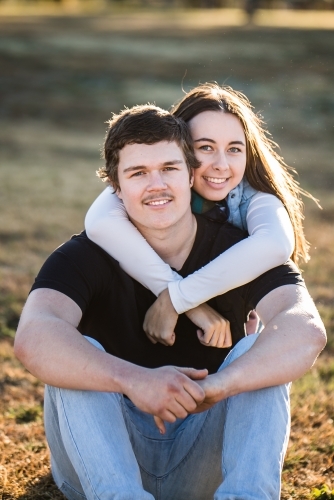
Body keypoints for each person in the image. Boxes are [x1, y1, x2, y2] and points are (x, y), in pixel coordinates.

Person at [15, 104, 326, 500]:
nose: (156, 185)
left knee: (255, 350)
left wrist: (219, 386)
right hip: (99, 466)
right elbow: (33, 336)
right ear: (115, 185)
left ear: (190, 173)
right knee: (79, 351)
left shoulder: (239, 250)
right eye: (138, 173)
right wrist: (134, 379)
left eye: (169, 169)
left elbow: (305, 331)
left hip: (200, 455)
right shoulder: (83, 254)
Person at [85, 83, 314, 347]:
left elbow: (275, 244)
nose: (221, 164)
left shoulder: (252, 198)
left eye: (234, 149)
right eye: (205, 147)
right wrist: (189, 304)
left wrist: (176, 299)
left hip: (234, 342)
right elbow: (100, 222)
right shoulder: (154, 185)